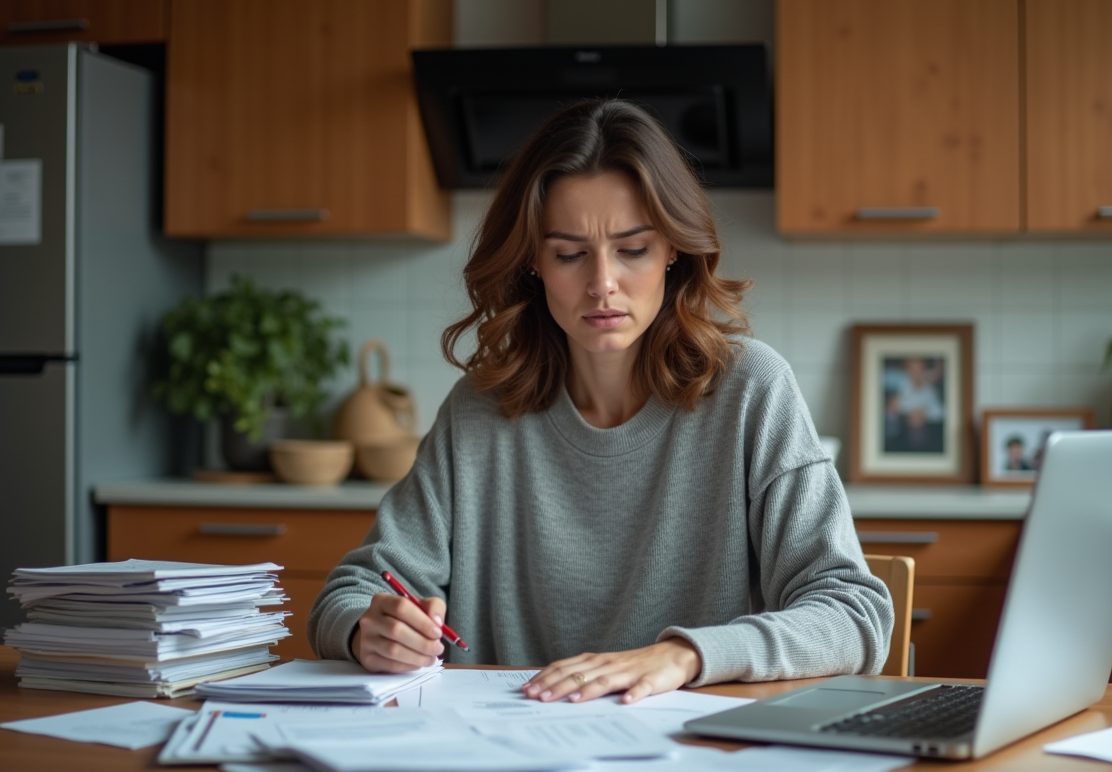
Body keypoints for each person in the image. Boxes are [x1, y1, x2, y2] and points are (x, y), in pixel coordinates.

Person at [308, 98, 892, 705]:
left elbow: (855, 612)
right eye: (568, 254)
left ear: (673, 250)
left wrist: (685, 655)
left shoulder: (751, 390)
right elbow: (350, 592)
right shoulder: (479, 410)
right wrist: (365, 630)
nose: (602, 283)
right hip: (501, 762)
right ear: (533, 262)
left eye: (633, 249)